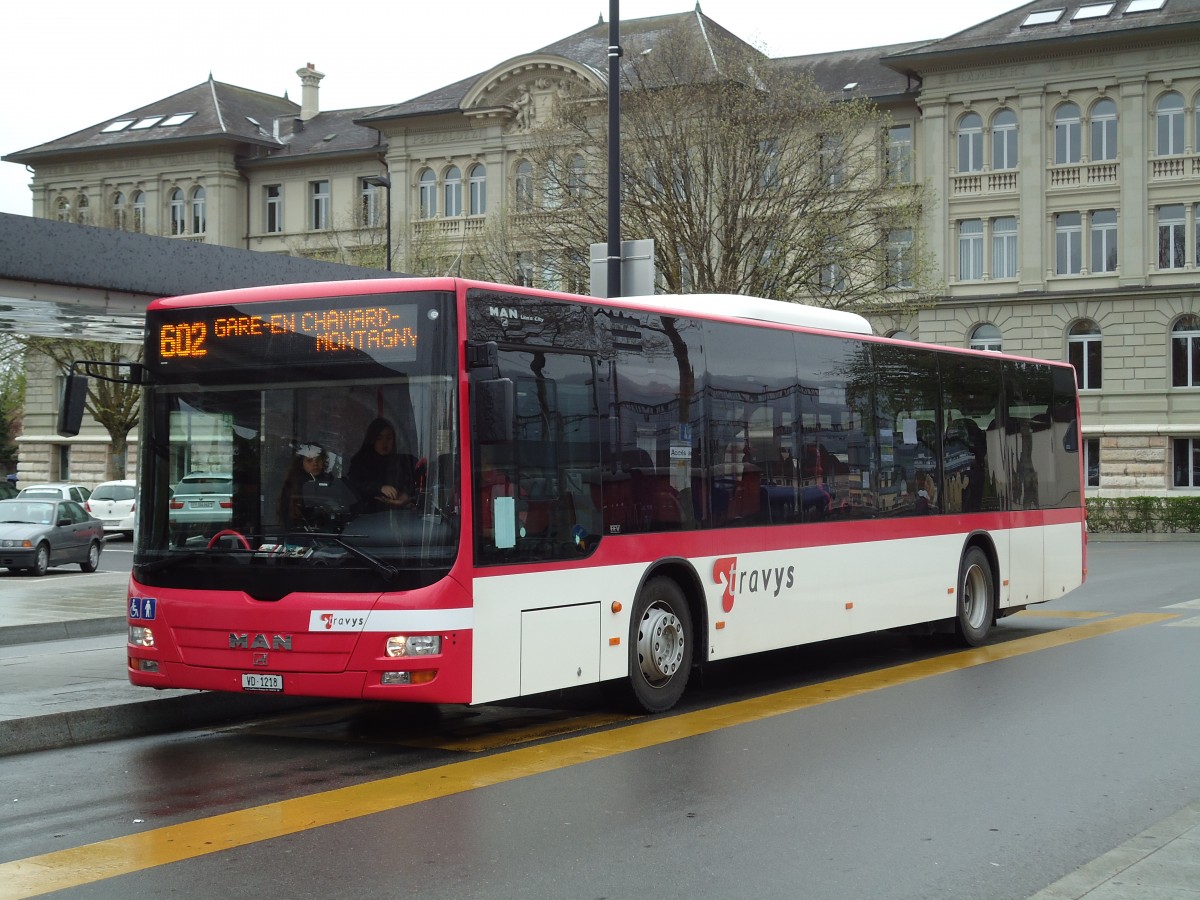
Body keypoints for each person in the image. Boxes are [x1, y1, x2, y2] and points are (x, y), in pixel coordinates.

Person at [346, 418, 417, 513]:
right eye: (379, 438)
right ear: (372, 440)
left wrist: (406, 497)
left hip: (401, 516)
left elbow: (417, 486)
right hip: (366, 517)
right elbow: (354, 485)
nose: (384, 442)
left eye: (389, 438)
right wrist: (379, 488)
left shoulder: (405, 462)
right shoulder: (360, 462)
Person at [277, 444, 334, 529]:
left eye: (319, 459)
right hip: (299, 532)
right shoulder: (293, 484)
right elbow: (287, 514)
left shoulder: (330, 481)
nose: (315, 464)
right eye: (309, 460)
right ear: (301, 463)